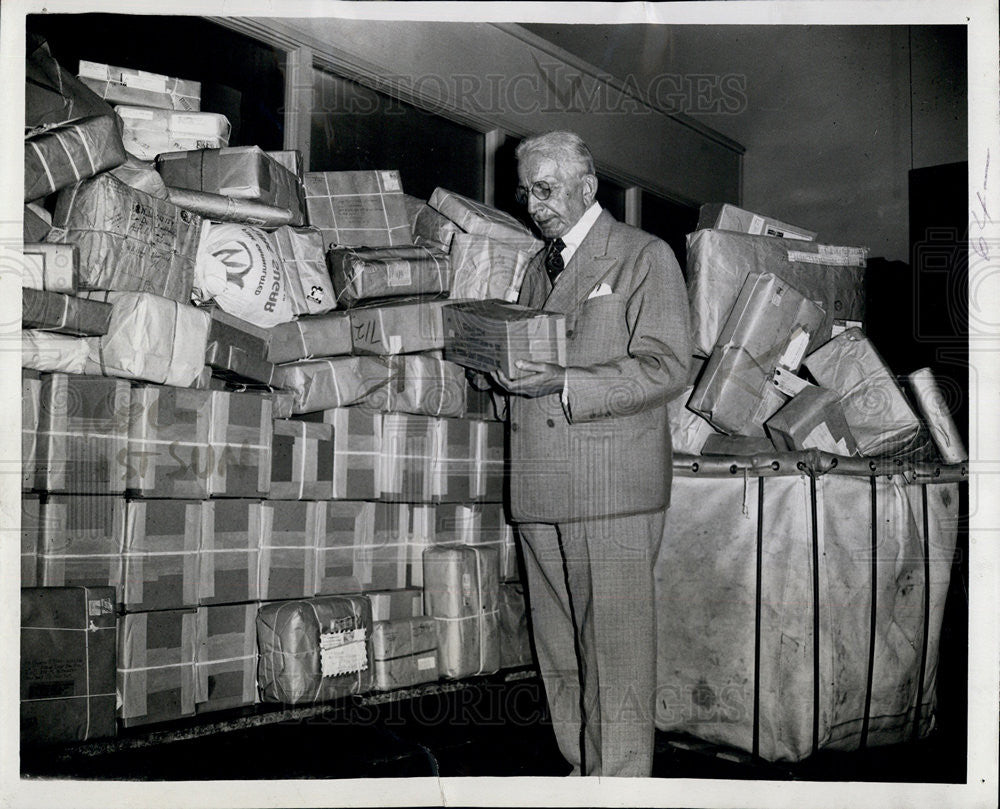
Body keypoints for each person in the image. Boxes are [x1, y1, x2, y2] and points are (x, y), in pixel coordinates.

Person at [490, 130, 691, 777]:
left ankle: (623, 784)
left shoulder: (643, 256)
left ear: (588, 187)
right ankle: (584, 774)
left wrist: (567, 383)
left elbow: (666, 367)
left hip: (610, 489)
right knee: (560, 649)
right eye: (526, 191)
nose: (533, 203)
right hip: (541, 484)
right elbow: (527, 361)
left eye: (545, 189)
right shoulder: (533, 268)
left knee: (615, 651)